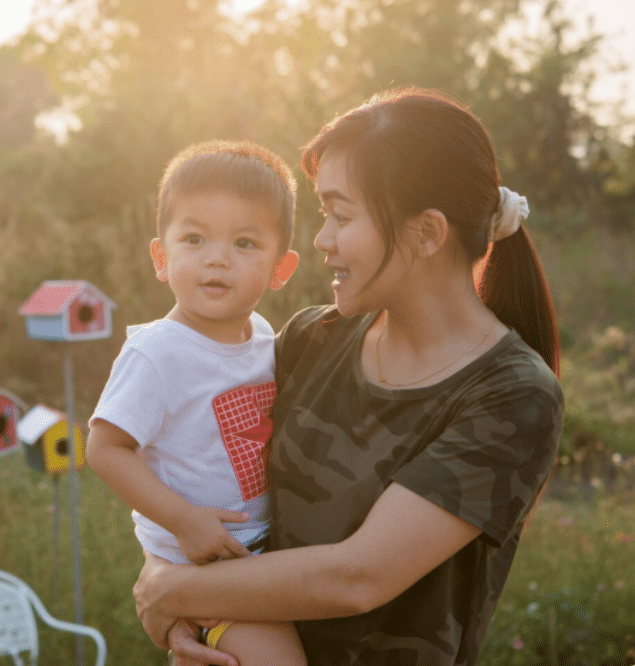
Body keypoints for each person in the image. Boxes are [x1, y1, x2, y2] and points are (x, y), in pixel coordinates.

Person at [132, 87, 565, 666]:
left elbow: (359, 576)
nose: (321, 240)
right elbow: (195, 476)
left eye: (341, 216)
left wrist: (170, 595)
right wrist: (170, 586)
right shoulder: (312, 341)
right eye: (322, 215)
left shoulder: (512, 396)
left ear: (427, 233)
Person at [86, 140, 308, 665]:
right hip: (200, 567)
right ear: (162, 258)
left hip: (260, 557)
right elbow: (105, 447)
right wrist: (181, 519)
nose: (216, 258)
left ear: (281, 267)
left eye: (245, 243)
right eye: (194, 238)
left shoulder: (262, 338)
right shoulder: (157, 351)